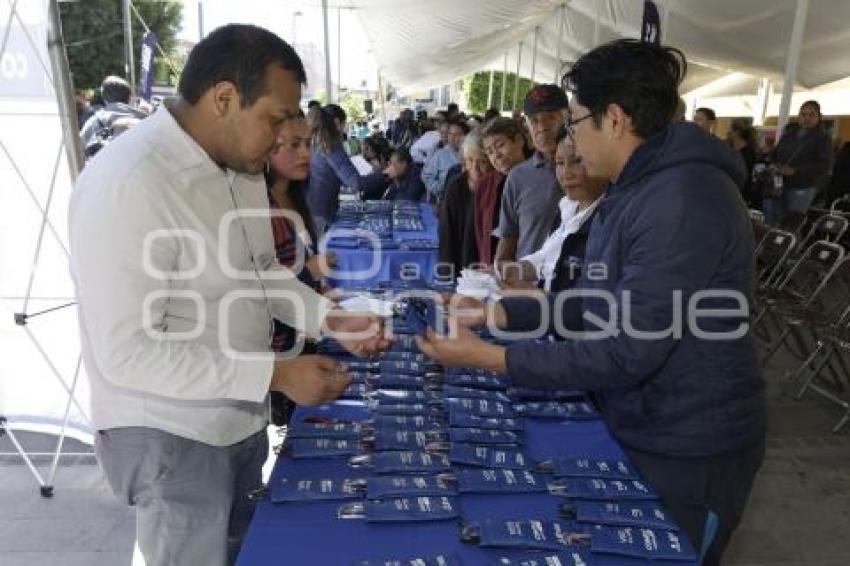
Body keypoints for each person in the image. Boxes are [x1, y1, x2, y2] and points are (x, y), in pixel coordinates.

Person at [418, 39, 765, 566]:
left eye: (576, 121)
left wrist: (491, 357)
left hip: (689, 444)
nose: (569, 136)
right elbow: (595, 304)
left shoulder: (681, 199)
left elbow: (626, 349)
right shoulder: (635, 188)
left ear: (616, 118)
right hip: (645, 419)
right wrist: (497, 313)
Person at [69, 25, 390, 566]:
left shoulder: (239, 166)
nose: (287, 133)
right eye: (277, 116)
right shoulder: (128, 183)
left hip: (237, 421)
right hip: (171, 436)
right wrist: (277, 373)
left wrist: (329, 318)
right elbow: (127, 352)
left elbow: (260, 271)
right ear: (223, 98)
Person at [264, 112, 337, 425]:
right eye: (293, 145)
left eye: (307, 144)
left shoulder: (296, 198)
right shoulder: (260, 206)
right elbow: (258, 287)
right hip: (281, 348)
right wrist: (309, 272)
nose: (306, 153)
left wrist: (322, 293)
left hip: (305, 334)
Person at [501, 124, 607, 292]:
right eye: (559, 163)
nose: (566, 173)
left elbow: (585, 299)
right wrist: (507, 272)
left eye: (577, 161)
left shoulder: (609, 219)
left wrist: (529, 294)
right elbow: (547, 257)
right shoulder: (567, 207)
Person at [493, 84, 568, 264]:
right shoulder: (518, 177)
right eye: (534, 120)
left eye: (551, 117)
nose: (542, 127)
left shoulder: (591, 169)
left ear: (568, 118)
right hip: (527, 282)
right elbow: (507, 241)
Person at [306, 104, 387, 232]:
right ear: (338, 123)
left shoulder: (313, 141)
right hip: (321, 214)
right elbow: (355, 183)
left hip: (312, 209)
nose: (344, 130)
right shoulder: (330, 144)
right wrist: (386, 175)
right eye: (344, 125)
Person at [764, 100, 832, 224]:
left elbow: (824, 165)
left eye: (811, 115)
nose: (806, 118)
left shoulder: (822, 138)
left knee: (792, 223)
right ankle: (773, 243)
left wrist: (795, 171)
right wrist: (771, 155)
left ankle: (793, 243)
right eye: (803, 114)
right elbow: (777, 152)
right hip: (780, 183)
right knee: (774, 220)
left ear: (819, 117)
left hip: (802, 186)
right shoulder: (789, 133)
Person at [477, 117, 531, 265]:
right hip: (491, 267)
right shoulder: (485, 185)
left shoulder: (538, 178)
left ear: (519, 141)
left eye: (500, 145)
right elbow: (479, 232)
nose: (496, 155)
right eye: (490, 152)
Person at [439, 130, 492, 276]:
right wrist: (446, 276)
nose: (475, 168)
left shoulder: (499, 187)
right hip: (460, 266)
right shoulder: (456, 187)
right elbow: (446, 236)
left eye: (482, 161)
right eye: (469, 160)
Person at [79, 75, 148, 152]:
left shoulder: (94, 122)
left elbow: (79, 150)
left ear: (104, 98)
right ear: (129, 98)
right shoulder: (146, 122)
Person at [421, 117, 468, 206]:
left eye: (457, 134)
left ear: (464, 136)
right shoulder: (440, 154)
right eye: (450, 134)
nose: (453, 137)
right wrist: (441, 187)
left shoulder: (471, 155)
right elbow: (426, 176)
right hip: (445, 201)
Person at [727, 118, 759, 207]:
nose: (728, 133)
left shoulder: (749, 153)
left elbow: (745, 175)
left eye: (731, 130)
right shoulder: (729, 149)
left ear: (736, 132)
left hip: (741, 193)